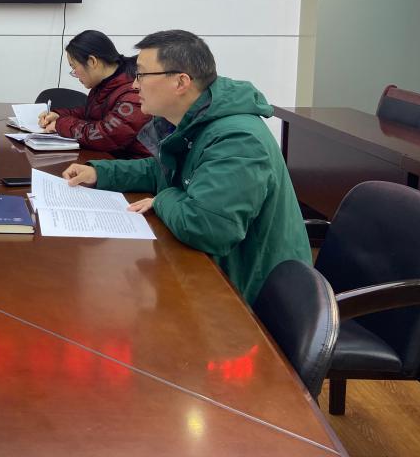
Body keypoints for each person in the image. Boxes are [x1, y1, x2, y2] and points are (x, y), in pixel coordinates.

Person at [62, 29, 310, 303]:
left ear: (181, 82)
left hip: (255, 296)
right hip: (218, 272)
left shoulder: (238, 140)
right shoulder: (195, 118)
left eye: (141, 75)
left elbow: (206, 227)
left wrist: (162, 198)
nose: (133, 85)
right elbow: (162, 169)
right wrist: (100, 172)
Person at [38, 30, 152, 158]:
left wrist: (60, 124)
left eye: (74, 67)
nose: (74, 74)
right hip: (109, 159)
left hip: (133, 165)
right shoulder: (106, 84)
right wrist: (59, 115)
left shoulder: (133, 92)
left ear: (92, 61)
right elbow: (92, 113)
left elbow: (105, 135)